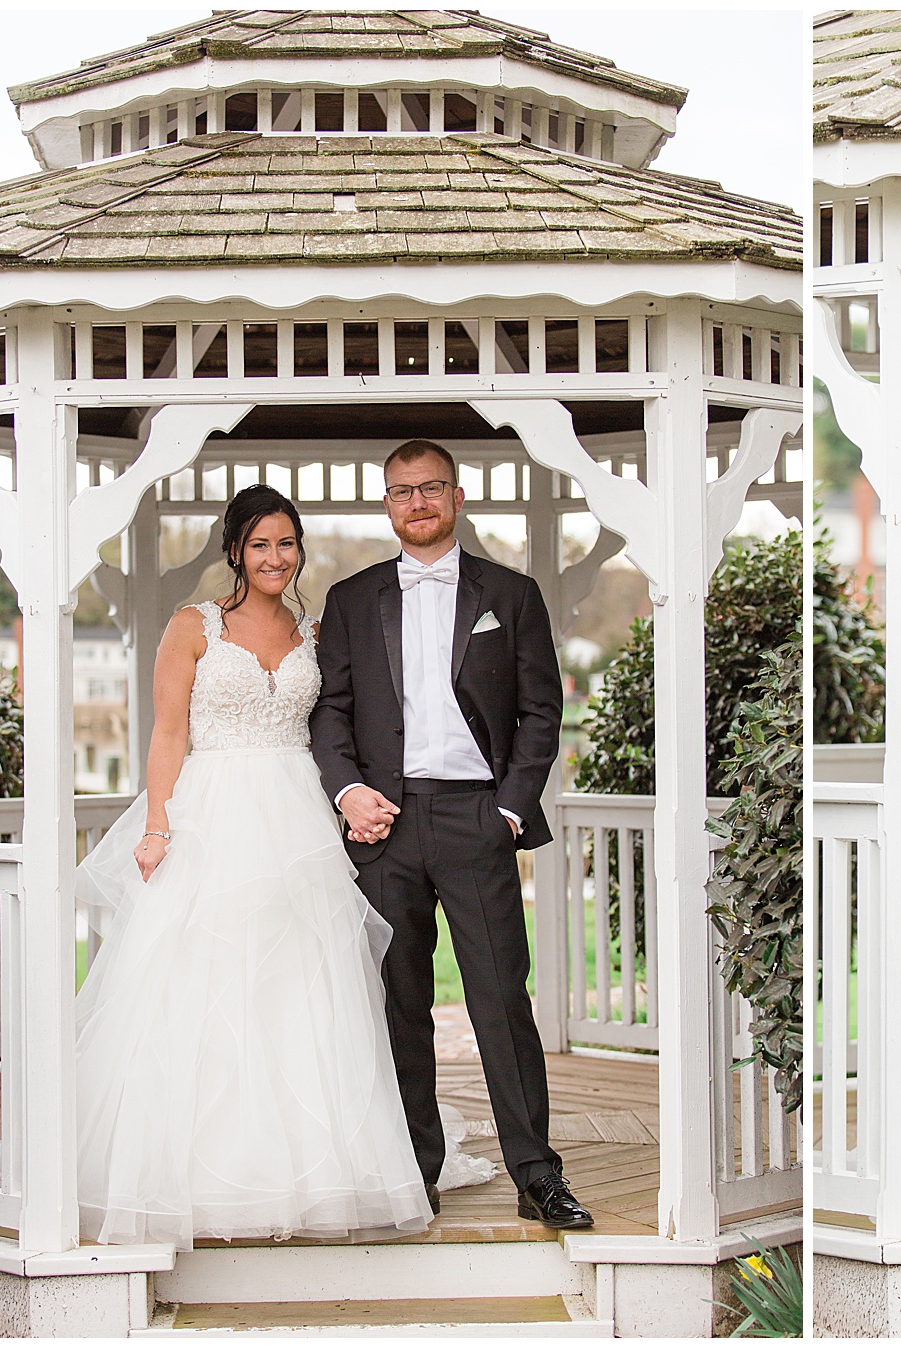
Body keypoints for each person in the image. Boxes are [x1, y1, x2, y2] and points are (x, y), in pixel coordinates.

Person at [75, 485, 432, 1249]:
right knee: (205, 984)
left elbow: (339, 723)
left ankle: (315, 1169)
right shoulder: (194, 625)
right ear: (235, 549)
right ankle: (202, 1175)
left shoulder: (314, 630)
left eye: (288, 543)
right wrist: (159, 824)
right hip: (213, 814)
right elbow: (169, 733)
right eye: (261, 544)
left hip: (299, 817)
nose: (276, 558)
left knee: (304, 985)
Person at [310, 439, 591, 1230]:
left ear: (457, 497)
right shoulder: (353, 598)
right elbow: (330, 711)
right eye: (403, 490)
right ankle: (414, 1172)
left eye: (432, 487)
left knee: (501, 999)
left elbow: (542, 710)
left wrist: (507, 808)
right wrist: (348, 789)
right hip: (384, 826)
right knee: (400, 1001)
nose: (418, 501)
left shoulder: (512, 592)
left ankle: (538, 1176)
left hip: (477, 817)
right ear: (387, 504)